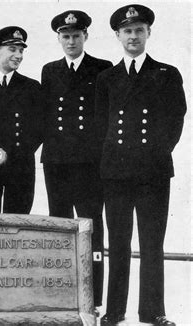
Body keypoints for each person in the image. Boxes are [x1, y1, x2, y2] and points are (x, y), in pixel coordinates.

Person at [95, 5, 186, 326]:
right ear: (118, 35)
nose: (133, 36)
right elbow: (99, 124)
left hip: (153, 172)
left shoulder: (166, 73)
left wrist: (154, 154)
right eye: (127, 31)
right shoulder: (107, 78)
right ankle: (114, 311)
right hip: (116, 173)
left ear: (148, 33)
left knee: (152, 244)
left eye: (139, 30)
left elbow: (175, 120)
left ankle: (153, 311)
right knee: (118, 243)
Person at [41, 10, 113, 313]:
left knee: (90, 228)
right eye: (66, 36)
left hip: (88, 163)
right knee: (59, 228)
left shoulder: (102, 68)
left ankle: (93, 298)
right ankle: (62, 296)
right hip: (57, 162)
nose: (71, 41)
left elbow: (107, 117)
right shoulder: (49, 70)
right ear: (59, 38)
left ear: (86, 36)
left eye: (76, 35)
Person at [0, 26, 44, 214]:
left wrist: (19, 152)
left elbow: (39, 128)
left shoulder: (31, 87)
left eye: (21, 50)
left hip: (20, 167)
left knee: (18, 223)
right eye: (13, 49)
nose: (18, 55)